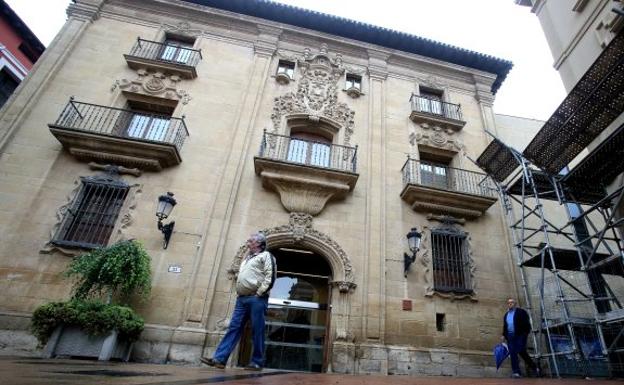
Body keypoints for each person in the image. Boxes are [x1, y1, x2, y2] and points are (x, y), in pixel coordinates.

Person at [201, 232, 276, 371]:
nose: (248, 241)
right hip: (241, 299)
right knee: (233, 328)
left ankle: (257, 362)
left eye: (251, 240)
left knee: (257, 329)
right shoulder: (247, 258)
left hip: (256, 298)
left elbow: (270, 277)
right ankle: (220, 359)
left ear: (259, 243)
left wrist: (259, 293)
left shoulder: (266, 256)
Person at [501, 297, 540, 378]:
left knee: (521, 350)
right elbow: (505, 326)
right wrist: (504, 335)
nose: (510, 304)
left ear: (515, 304)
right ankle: (516, 372)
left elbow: (526, 323)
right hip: (510, 336)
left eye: (511, 302)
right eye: (508, 303)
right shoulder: (506, 315)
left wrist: (525, 333)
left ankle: (534, 367)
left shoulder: (521, 312)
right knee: (512, 353)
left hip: (520, 335)